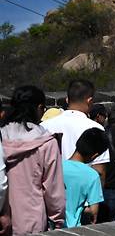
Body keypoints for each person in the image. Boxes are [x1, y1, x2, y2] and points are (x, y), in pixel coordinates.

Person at [1, 86, 65, 234]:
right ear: (39, 108)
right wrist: (57, 220)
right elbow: (53, 190)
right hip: (32, 220)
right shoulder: (46, 142)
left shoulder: (2, 137)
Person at [41, 80, 110, 185]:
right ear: (90, 101)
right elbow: (99, 170)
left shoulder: (44, 126)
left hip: (50, 191)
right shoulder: (95, 128)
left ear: (67, 100)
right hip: (84, 193)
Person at [63, 128, 109, 227]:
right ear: (95, 155)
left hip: (50, 227)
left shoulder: (56, 166)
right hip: (74, 228)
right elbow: (93, 212)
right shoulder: (92, 176)